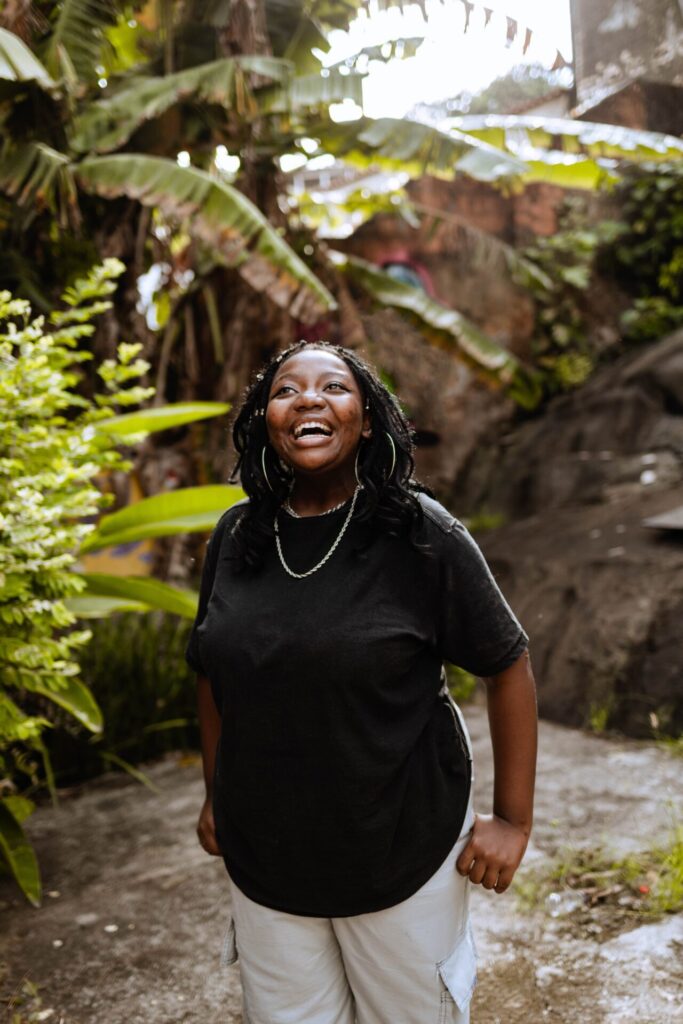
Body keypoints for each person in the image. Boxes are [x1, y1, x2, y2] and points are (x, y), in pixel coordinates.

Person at [186, 340, 537, 1024]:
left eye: (333, 388)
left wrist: (513, 820)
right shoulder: (238, 538)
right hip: (268, 855)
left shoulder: (418, 533)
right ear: (265, 420)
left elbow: (506, 662)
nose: (308, 399)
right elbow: (210, 672)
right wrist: (214, 794)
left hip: (402, 846)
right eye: (286, 391)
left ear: (367, 420)